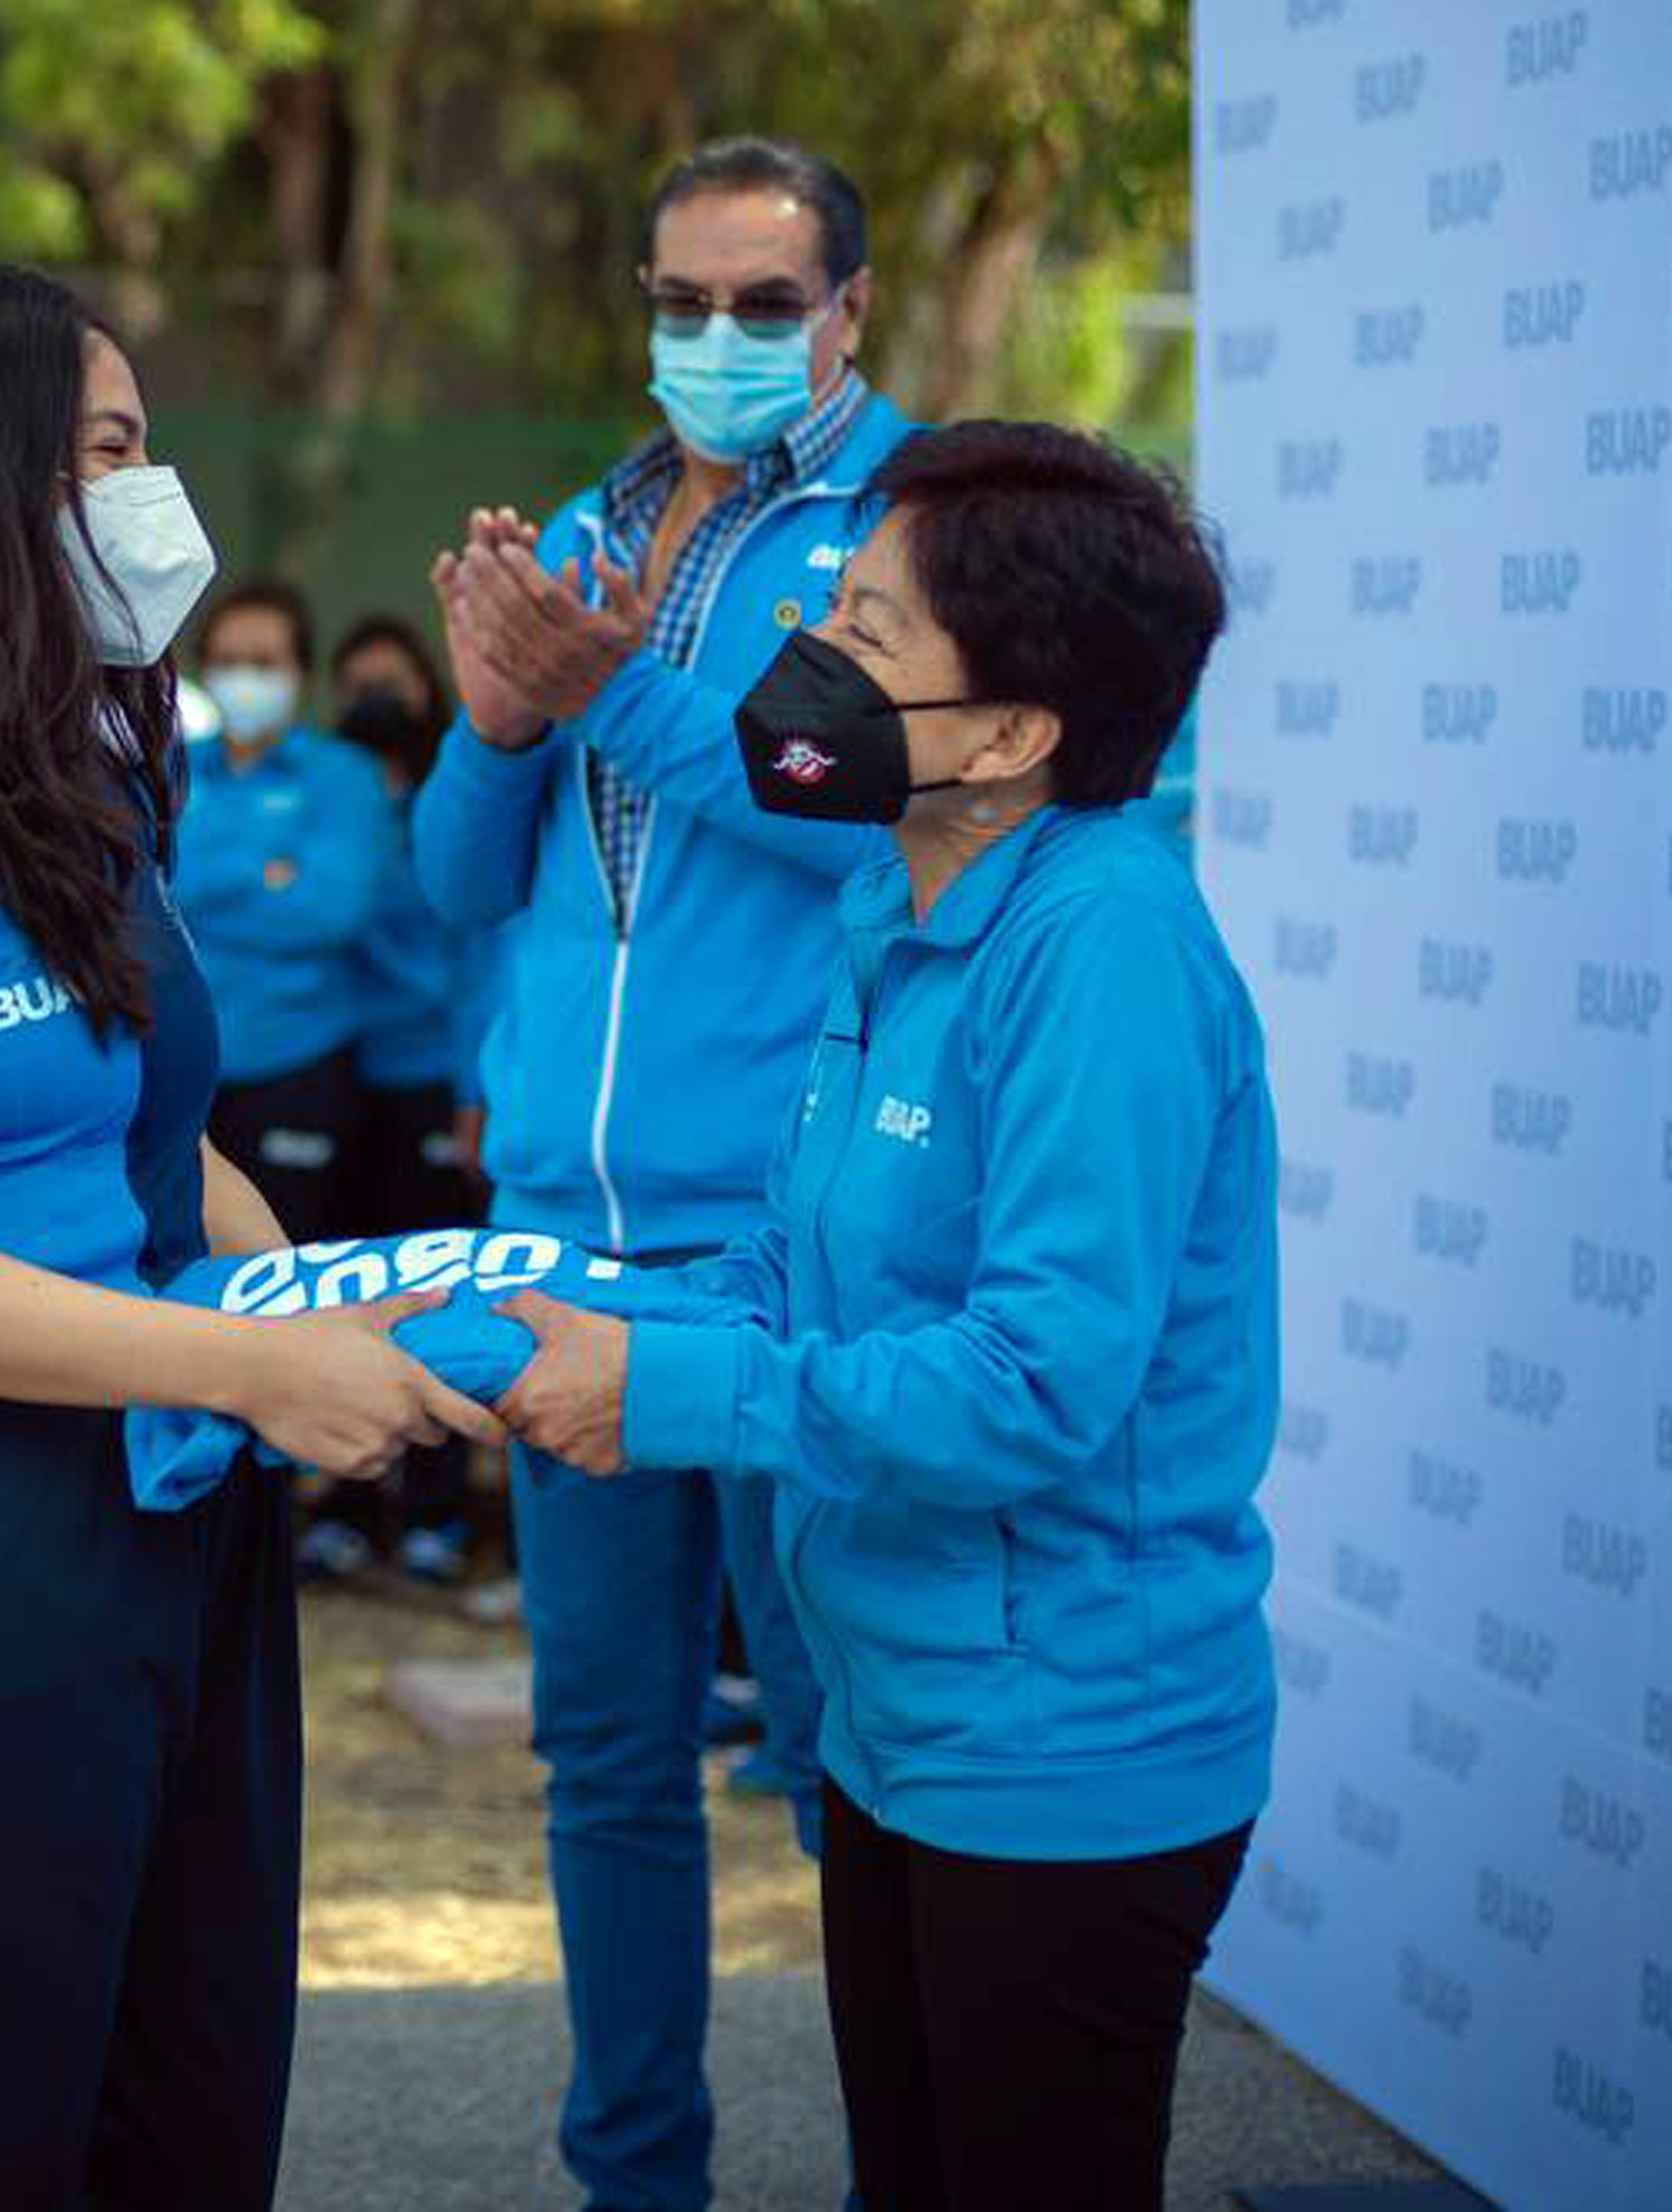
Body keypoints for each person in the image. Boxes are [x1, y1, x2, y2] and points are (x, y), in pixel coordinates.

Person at [0, 259, 498, 2203]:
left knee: (189, 2118)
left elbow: (167, 1147)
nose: (152, 496)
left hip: (176, 1517)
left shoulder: (83, 776)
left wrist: (330, 1290)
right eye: (109, 450)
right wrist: (244, 1354)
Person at [494, 420, 1272, 2212]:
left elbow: (1033, 1382)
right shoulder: (892, 895)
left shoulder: (1106, 947)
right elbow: (795, 1259)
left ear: (1010, 738)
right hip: (894, 1720)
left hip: (1067, 1744)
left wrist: (675, 1396)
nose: (806, 664)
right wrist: (551, 1323)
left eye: (864, 632)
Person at [411, 133, 901, 2210]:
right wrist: (494, 723)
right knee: (605, 1767)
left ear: (847, 315)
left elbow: (838, 801)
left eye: (759, 305)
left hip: (783, 1254)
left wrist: (613, 686)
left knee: (845, 1770)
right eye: (679, 302)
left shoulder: (910, 526)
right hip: (558, 1247)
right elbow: (456, 883)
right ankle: (635, 2177)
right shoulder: (597, 520)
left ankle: (941, 2160)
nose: (711, 340)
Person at [313, 613, 488, 1585]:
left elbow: (477, 952)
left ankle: (436, 1506)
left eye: (395, 681)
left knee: (437, 1289)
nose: (376, 700)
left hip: (431, 1073)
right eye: (358, 683)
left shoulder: (453, 806)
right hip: (344, 1072)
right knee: (346, 1285)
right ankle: (343, 1497)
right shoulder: (334, 801)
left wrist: (474, 1083)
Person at [174, 580, 389, 1240]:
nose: (245, 677)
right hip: (180, 1074)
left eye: (264, 662)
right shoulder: (169, 767)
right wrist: (265, 874)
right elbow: (138, 895)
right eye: (230, 660)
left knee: (287, 1270)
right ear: (203, 667)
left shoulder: (343, 775)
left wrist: (199, 881)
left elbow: (333, 913)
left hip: (298, 1065)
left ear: (300, 671)